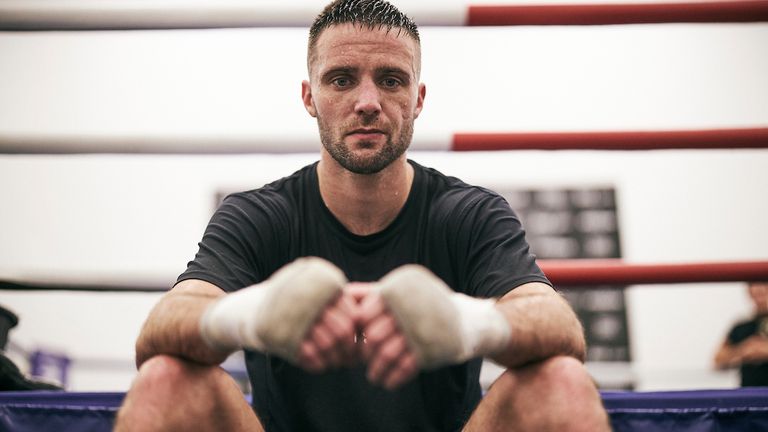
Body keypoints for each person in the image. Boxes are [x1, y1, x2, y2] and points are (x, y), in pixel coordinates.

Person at [115, 1, 611, 430]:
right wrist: (251, 314)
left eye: (391, 80)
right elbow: (160, 330)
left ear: (417, 100)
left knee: (560, 380)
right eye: (342, 79)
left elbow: (558, 327)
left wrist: (470, 323)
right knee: (166, 378)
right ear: (310, 97)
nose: (368, 103)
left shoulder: (470, 213)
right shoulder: (259, 215)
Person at [714, 281, 768, 386]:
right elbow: (717, 361)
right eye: (754, 285)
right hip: (749, 396)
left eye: (764, 285)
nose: (759, 289)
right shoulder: (742, 326)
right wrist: (742, 351)